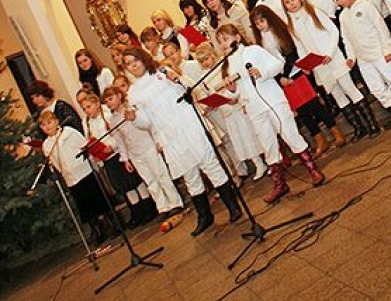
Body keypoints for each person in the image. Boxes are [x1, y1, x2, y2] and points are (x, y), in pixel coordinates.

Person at [123, 46, 243, 237]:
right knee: (190, 176)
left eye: (134, 60)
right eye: (128, 64)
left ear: (143, 58)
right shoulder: (133, 93)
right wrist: (133, 118)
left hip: (188, 124)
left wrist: (176, 79)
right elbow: (145, 122)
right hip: (169, 135)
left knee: (210, 165)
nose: (133, 65)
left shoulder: (162, 72)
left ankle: (233, 206)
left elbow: (189, 88)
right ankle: (205, 216)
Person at [215, 24, 325, 204]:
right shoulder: (226, 64)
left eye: (225, 39)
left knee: (289, 133)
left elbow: (277, 65)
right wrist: (232, 89)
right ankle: (280, 184)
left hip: (272, 99)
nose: (223, 44)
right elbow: (233, 94)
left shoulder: (253, 51)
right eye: (219, 41)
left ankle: (312, 169)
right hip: (253, 108)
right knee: (268, 144)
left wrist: (262, 72)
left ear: (237, 37)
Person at [281, 0, 378, 140]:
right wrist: (304, 64)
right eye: (287, 2)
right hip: (318, 66)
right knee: (338, 96)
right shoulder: (291, 24)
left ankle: (372, 124)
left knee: (350, 89)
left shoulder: (314, 12)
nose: (291, 4)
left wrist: (329, 53)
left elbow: (333, 32)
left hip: (333, 59)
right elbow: (300, 47)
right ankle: (359, 127)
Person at [250, 5, 346, 157]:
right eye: (256, 23)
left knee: (314, 106)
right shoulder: (260, 43)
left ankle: (336, 132)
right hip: (282, 80)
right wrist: (279, 78)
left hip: (295, 73)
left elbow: (291, 54)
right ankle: (320, 139)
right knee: (303, 112)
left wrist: (286, 75)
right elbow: (266, 64)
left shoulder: (282, 31)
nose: (260, 25)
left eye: (262, 21)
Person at [77, 87, 156, 227]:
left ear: (96, 104)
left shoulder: (106, 115)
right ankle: (137, 212)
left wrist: (112, 146)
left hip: (118, 153)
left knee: (134, 181)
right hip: (107, 159)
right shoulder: (88, 122)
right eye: (84, 109)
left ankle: (148, 207)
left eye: (89, 107)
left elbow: (118, 134)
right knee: (123, 186)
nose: (87, 111)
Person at [102, 85, 183, 220]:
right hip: (135, 154)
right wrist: (126, 159)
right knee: (150, 181)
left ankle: (175, 202)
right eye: (106, 101)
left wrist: (157, 141)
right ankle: (162, 207)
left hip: (148, 146)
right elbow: (120, 141)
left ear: (119, 96)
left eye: (110, 99)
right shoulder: (113, 120)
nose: (109, 103)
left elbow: (148, 125)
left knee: (161, 175)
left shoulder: (133, 108)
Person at [190, 43, 267, 181]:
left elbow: (235, 83)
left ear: (212, 55)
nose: (205, 63)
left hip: (236, 105)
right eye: (201, 61)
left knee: (252, 134)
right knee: (241, 140)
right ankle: (258, 163)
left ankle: (268, 160)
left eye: (207, 58)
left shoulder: (224, 66)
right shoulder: (203, 76)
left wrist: (233, 97)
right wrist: (212, 102)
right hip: (225, 111)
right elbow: (210, 92)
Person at [39, 110, 115, 245]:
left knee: (97, 198)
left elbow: (84, 145)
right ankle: (97, 229)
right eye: (43, 125)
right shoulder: (47, 145)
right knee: (85, 205)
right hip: (71, 178)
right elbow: (55, 162)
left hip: (84, 171)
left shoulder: (68, 132)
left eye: (49, 122)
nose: (47, 127)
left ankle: (112, 223)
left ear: (56, 122)